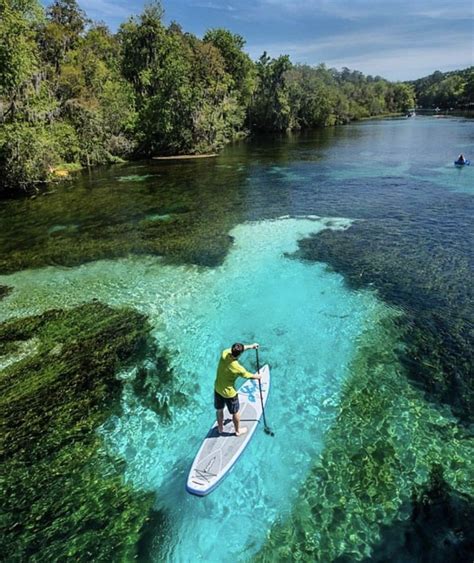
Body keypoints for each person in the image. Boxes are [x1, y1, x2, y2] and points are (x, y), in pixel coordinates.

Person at [214, 342, 261, 437]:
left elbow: (239, 349)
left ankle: (220, 428)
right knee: (235, 412)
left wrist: (251, 346)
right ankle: (238, 431)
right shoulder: (238, 368)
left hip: (217, 388)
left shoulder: (224, 354)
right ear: (239, 354)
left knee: (219, 410)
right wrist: (258, 376)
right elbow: (249, 375)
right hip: (229, 394)